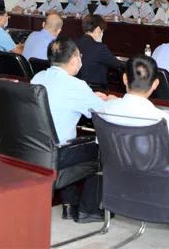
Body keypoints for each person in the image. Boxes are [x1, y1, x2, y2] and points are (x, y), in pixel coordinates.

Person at [100, 55, 169, 238]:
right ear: (155, 84)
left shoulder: (106, 109)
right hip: (157, 183)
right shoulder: (161, 118)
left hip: (121, 178)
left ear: (124, 79)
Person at [31, 37, 112, 222]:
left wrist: (89, 96)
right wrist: (111, 100)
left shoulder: (38, 77)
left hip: (36, 149)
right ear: (74, 59)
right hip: (59, 153)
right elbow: (103, 112)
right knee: (100, 146)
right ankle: (89, 210)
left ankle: (70, 204)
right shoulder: (76, 86)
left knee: (70, 138)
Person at [76, 15, 122, 89]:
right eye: (102, 31)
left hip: (77, 87)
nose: (102, 34)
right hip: (96, 89)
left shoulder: (74, 43)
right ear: (98, 29)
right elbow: (117, 64)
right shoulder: (99, 48)